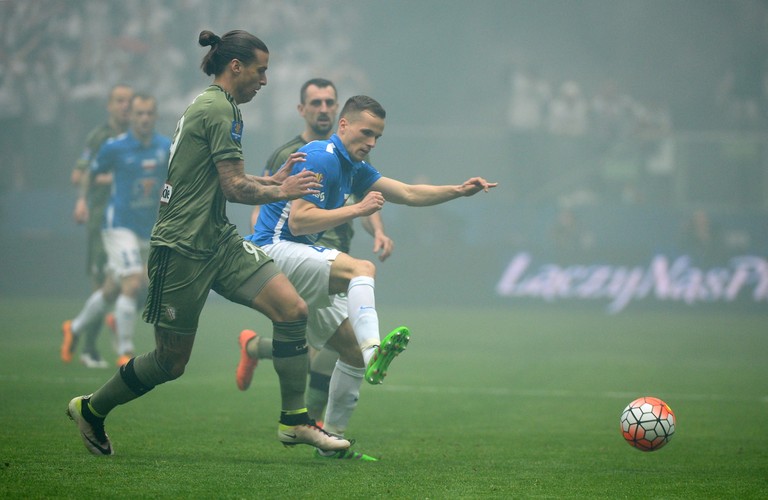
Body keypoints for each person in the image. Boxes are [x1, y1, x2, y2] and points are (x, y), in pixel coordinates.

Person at [66, 29, 350, 457]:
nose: (265, 80)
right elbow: (234, 188)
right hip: (181, 248)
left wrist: (269, 180)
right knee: (170, 362)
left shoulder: (219, 105)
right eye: (261, 70)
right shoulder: (219, 109)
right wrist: (285, 190)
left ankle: (295, 421)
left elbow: (225, 180)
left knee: (292, 310)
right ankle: (92, 408)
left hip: (217, 240)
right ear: (236, 66)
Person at [244, 95, 497, 458]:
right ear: (343, 126)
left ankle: (333, 441)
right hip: (273, 251)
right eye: (366, 133)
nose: (372, 143)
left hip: (292, 257)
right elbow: (298, 220)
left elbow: (407, 193)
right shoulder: (320, 157)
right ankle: (374, 347)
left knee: (349, 354)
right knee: (361, 269)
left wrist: (458, 191)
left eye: (377, 136)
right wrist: (357, 209)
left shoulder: (355, 167)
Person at [238, 78, 394, 431]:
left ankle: (319, 426)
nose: (323, 108)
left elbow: (371, 199)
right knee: (320, 354)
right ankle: (310, 420)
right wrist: (264, 241)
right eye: (316, 103)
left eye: (329, 102)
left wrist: (380, 230)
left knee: (337, 348)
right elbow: (268, 200)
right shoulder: (294, 153)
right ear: (302, 109)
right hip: (296, 252)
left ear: (338, 109)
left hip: (330, 254)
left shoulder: (351, 155)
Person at [64, 93, 170, 370]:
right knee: (133, 282)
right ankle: (125, 350)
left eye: (149, 113)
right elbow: (89, 172)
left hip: (146, 227)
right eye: (139, 114)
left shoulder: (164, 147)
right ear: (131, 117)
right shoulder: (114, 147)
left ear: (155, 116)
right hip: (118, 224)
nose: (144, 118)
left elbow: (172, 179)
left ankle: (74, 328)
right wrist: (81, 201)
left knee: (113, 289)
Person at [62, 84, 134, 368]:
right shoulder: (99, 137)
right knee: (102, 285)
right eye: (119, 101)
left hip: (128, 224)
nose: (125, 106)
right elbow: (78, 173)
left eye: (128, 101)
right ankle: (89, 347)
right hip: (101, 220)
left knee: (129, 285)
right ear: (110, 105)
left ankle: (98, 326)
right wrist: (83, 199)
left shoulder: (137, 139)